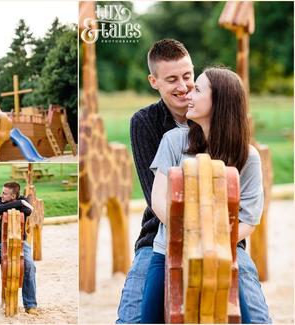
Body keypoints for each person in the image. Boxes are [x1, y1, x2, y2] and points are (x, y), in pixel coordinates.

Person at [116, 39, 271, 323]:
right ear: (154, 81)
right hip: (160, 234)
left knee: (254, 311)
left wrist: (215, 241)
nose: (185, 87)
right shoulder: (155, 128)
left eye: (189, 78)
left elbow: (248, 215)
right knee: (133, 313)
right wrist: (186, 238)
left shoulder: (242, 150)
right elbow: (158, 198)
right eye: (172, 79)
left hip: (225, 241)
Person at [0, 182, 38, 319]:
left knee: (29, 266)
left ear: (14, 195)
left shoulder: (25, 200)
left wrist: (21, 203)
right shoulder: (0, 200)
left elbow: (29, 210)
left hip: (20, 241)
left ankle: (30, 304)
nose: (1, 195)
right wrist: (19, 203)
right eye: (2, 192)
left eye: (5, 193)